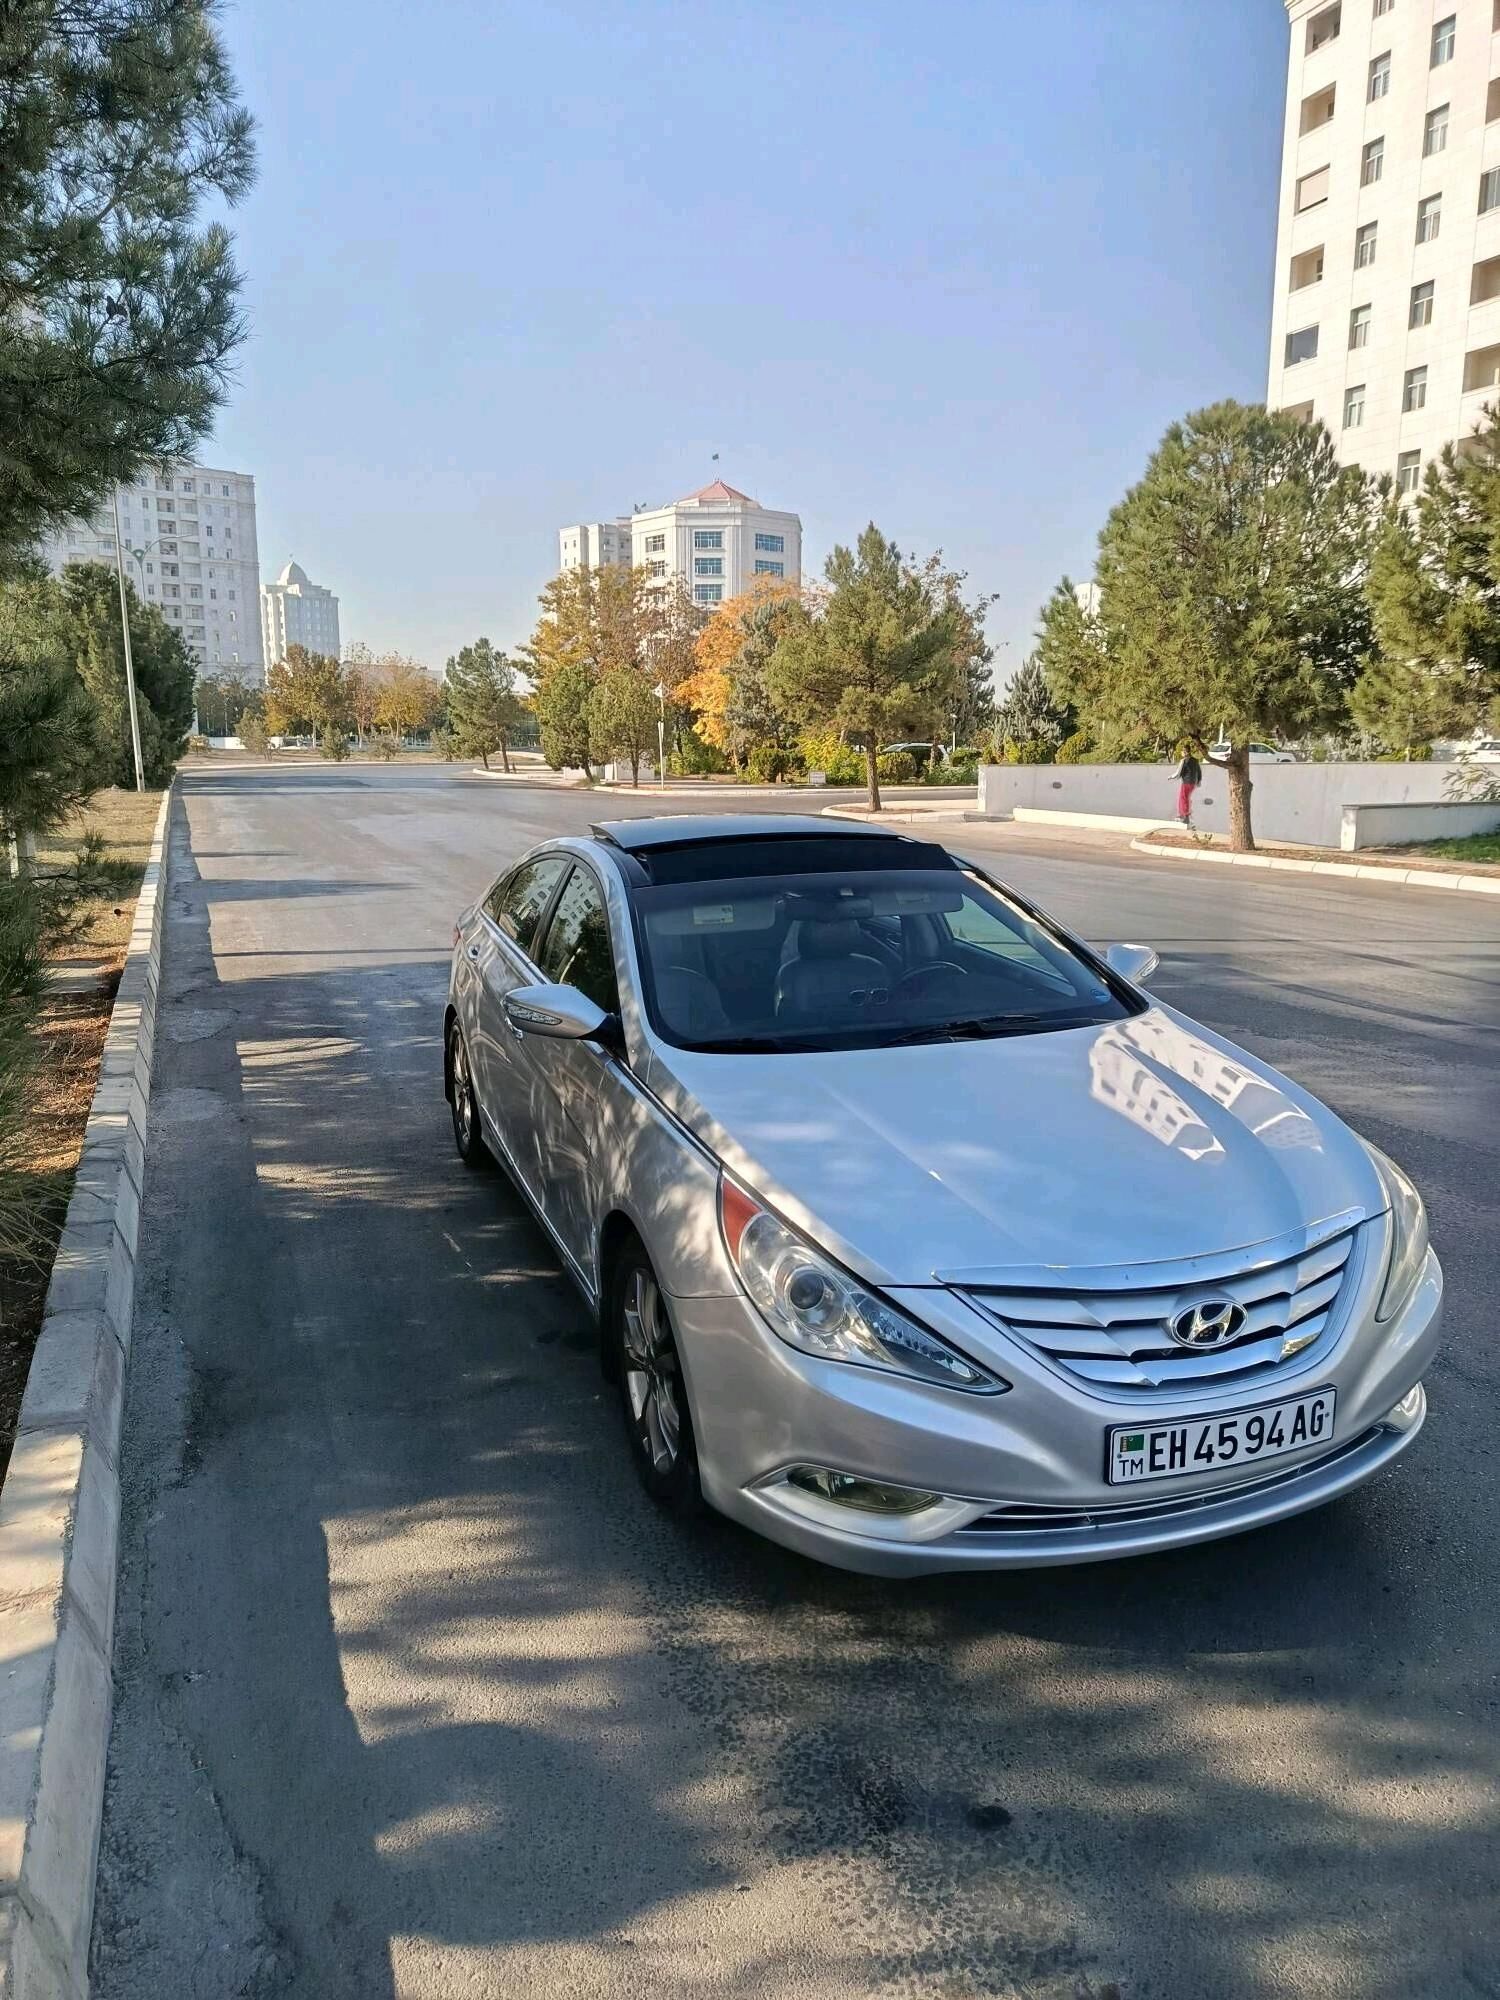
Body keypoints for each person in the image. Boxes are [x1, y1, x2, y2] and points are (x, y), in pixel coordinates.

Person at [1175, 747, 1202, 824]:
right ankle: (1182, 814)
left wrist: (1174, 776)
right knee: (1184, 798)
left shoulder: (1185, 761)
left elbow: (1180, 772)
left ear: (1185, 752)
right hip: (1193, 783)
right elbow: (1199, 771)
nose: (1181, 753)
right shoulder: (1195, 760)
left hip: (1186, 782)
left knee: (1183, 798)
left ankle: (1185, 816)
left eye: (1182, 751)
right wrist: (1199, 780)